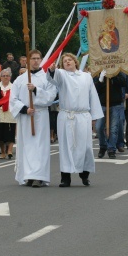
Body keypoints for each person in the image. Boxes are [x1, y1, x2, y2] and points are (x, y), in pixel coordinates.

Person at [47, 53, 103, 187]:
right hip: (66, 116)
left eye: (69, 60)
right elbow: (52, 78)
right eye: (64, 61)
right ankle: (65, 178)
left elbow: (92, 95)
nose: (67, 62)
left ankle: (84, 175)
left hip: (83, 116)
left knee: (85, 146)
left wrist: (94, 116)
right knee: (66, 146)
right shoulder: (61, 74)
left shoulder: (86, 76)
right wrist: (52, 69)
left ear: (75, 62)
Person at [10, 50, 57, 187]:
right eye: (33, 58)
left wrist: (36, 90)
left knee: (40, 146)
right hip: (26, 117)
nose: (36, 61)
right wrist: (25, 109)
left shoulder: (47, 78)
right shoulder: (20, 79)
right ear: (28, 60)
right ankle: (28, 175)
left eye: (38, 58)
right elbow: (13, 99)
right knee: (27, 146)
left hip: (40, 115)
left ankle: (39, 176)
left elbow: (51, 96)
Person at [94, 70, 128, 159]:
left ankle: (111, 149)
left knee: (113, 128)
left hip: (115, 104)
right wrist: (100, 79)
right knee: (99, 127)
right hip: (102, 104)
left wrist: (114, 76)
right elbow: (94, 89)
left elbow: (123, 83)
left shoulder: (118, 71)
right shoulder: (97, 72)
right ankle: (103, 146)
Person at [0, 69, 16, 160]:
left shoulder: (14, 87)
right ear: (0, 77)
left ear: (10, 77)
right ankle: (3, 151)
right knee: (0, 133)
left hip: (10, 112)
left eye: (7, 76)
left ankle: (9, 151)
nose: (5, 77)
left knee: (11, 132)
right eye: (3, 75)